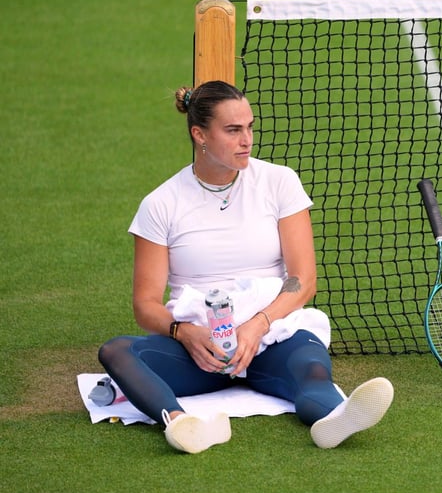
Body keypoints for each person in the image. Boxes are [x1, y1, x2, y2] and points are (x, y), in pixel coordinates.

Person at [98, 80, 393, 454]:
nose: (247, 140)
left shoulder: (279, 182)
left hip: (272, 332)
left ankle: (333, 418)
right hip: (202, 348)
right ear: (199, 134)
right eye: (233, 130)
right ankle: (181, 423)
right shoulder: (160, 204)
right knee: (118, 351)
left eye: (250, 127)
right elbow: (145, 304)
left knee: (311, 369)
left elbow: (303, 281)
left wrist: (257, 326)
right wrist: (185, 333)